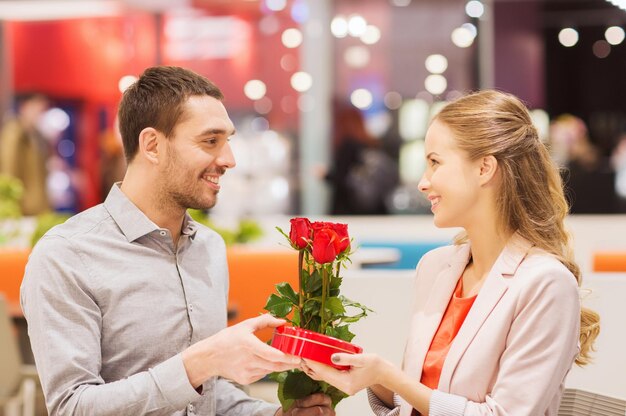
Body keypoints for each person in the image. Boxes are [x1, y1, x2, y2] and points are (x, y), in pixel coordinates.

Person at [20, 66, 334, 416]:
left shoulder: (209, 248)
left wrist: (274, 415)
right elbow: (72, 408)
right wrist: (199, 363)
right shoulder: (67, 254)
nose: (229, 160)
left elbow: (208, 396)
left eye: (227, 140)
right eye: (210, 141)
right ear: (152, 145)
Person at [302, 90, 600, 415]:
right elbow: (419, 400)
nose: (423, 182)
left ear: (485, 168)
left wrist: (392, 377)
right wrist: (369, 377)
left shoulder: (545, 283)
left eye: (434, 163)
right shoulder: (435, 268)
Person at [326, 103, 398, 215]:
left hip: (349, 210)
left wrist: (326, 175)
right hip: (374, 210)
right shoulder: (371, 143)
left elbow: (342, 179)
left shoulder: (348, 146)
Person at [0, 92, 51, 215]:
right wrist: (13, 205)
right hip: (22, 209)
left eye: (42, 110)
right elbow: (9, 173)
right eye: (37, 108)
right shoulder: (13, 135)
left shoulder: (37, 136)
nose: (39, 114)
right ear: (24, 107)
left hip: (38, 207)